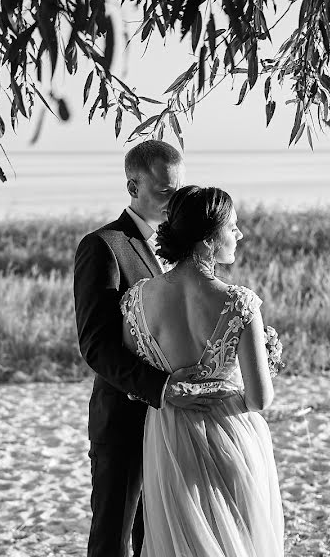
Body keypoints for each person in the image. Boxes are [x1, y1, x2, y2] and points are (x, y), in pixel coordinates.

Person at [74, 141, 235, 557]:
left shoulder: (182, 249)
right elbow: (96, 344)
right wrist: (161, 388)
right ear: (133, 185)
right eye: (165, 191)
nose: (175, 200)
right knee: (113, 541)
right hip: (126, 420)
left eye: (179, 190)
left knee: (160, 540)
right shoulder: (105, 246)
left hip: (178, 430)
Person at [119, 185, 284, 557]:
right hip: (232, 431)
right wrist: (262, 364)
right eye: (233, 227)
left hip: (168, 436)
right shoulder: (239, 303)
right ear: (209, 240)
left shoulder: (138, 299)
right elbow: (259, 399)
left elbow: (133, 383)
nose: (239, 234)